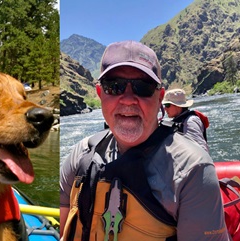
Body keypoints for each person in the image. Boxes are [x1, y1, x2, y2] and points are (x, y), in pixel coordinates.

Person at [60, 40, 229, 240]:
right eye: (115, 87)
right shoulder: (80, 155)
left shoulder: (194, 171)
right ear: (100, 94)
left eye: (143, 87)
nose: (129, 99)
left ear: (160, 98)